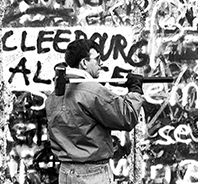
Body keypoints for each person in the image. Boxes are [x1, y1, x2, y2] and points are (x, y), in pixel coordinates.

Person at [45, 39, 144, 184]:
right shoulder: (92, 91)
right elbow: (127, 117)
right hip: (92, 175)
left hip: (66, 173)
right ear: (84, 63)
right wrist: (135, 91)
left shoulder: (54, 95)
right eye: (97, 59)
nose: (101, 64)